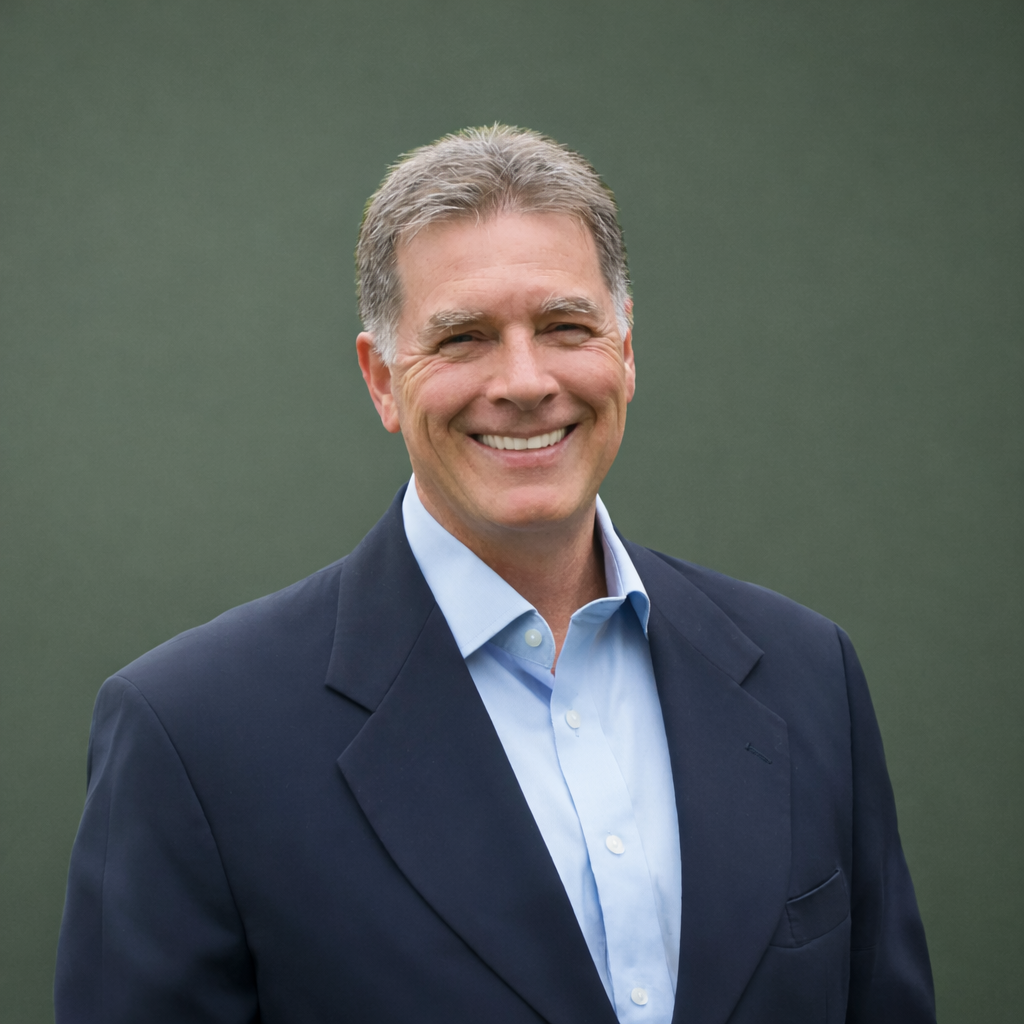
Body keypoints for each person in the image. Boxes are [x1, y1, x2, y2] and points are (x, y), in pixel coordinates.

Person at [55, 125, 936, 1024]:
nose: (523, 381)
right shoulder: (191, 735)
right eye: (465, 337)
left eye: (565, 327)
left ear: (625, 351)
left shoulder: (808, 674)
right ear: (382, 380)